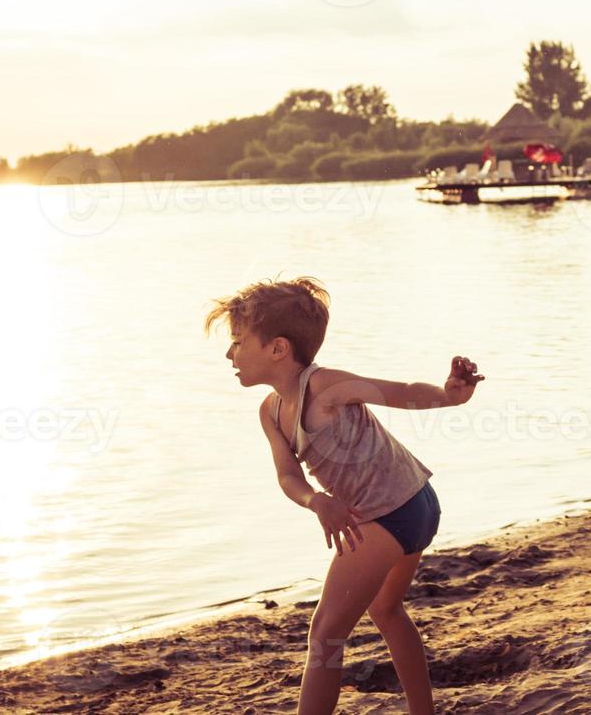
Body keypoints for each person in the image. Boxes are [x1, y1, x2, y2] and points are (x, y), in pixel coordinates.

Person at [205, 278, 483, 715]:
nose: (229, 354)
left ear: (277, 349)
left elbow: (402, 393)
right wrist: (317, 500)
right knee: (386, 611)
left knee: (326, 634)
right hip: (415, 503)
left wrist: (449, 397)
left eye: (238, 342)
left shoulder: (327, 386)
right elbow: (286, 475)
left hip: (393, 512)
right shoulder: (271, 412)